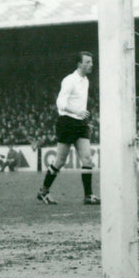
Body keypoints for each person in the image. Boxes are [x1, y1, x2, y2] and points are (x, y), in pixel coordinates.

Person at [36, 51, 100, 205]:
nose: (91, 64)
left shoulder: (86, 81)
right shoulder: (69, 80)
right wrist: (76, 112)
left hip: (80, 124)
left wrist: (83, 118)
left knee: (87, 159)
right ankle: (43, 192)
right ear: (79, 64)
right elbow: (60, 103)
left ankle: (88, 195)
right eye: (88, 62)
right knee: (60, 161)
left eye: (91, 62)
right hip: (67, 122)